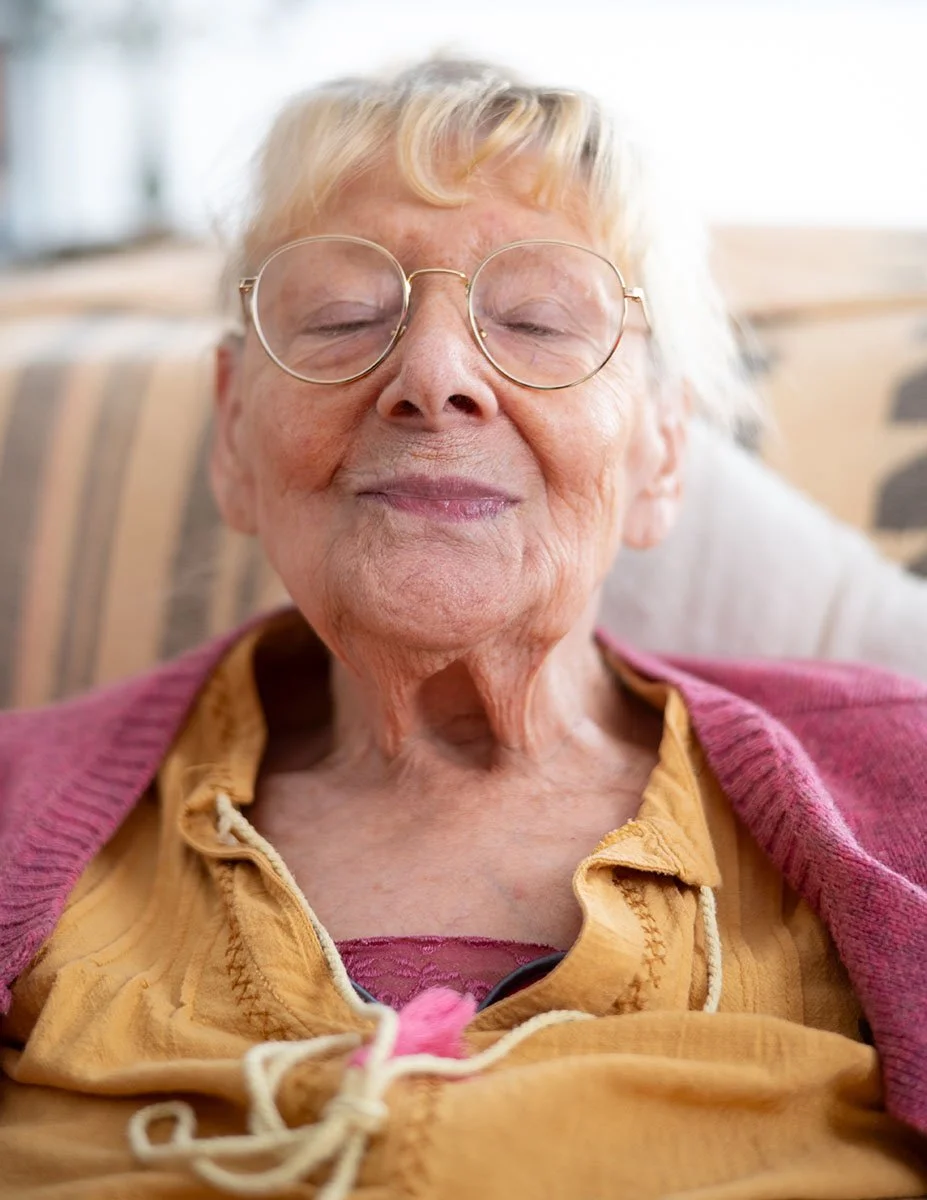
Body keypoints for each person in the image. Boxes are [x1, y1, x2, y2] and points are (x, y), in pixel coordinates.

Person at [1, 57, 926, 1200]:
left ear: (664, 450)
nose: (434, 375)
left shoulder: (901, 788)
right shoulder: (15, 797)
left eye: (537, 321)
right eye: (343, 318)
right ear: (232, 433)